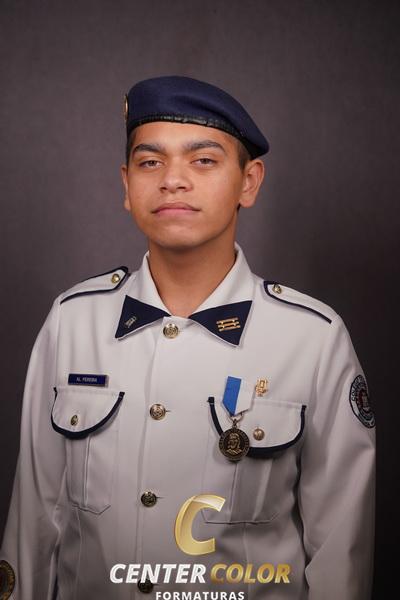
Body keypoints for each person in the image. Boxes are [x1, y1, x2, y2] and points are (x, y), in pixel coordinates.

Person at [0, 75, 375, 600]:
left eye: (203, 160)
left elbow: (341, 558)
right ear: (126, 184)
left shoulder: (313, 339)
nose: (172, 180)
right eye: (150, 162)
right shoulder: (73, 323)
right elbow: (34, 523)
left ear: (248, 182)